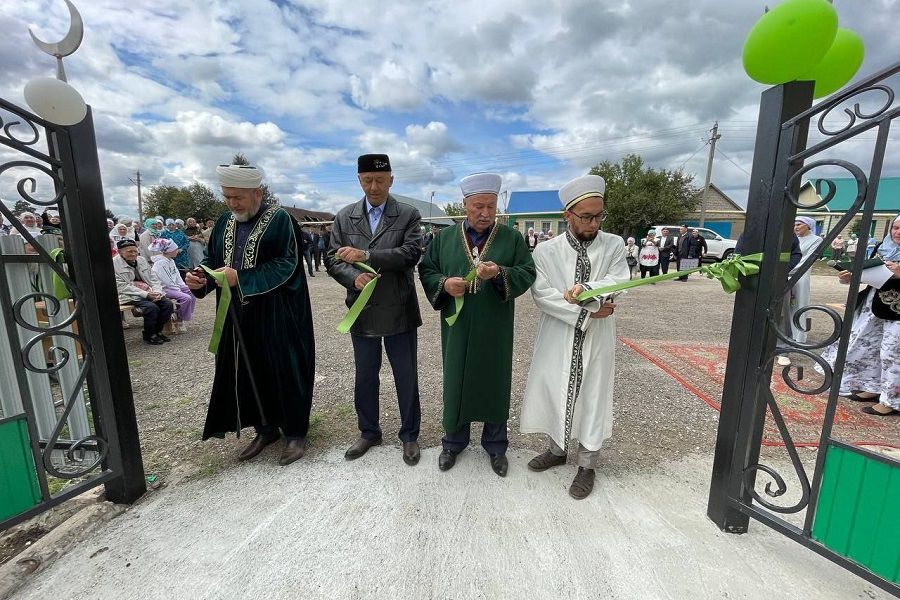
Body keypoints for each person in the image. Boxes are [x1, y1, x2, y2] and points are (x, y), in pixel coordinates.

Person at [185, 164, 315, 466]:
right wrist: (201, 278)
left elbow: (288, 265)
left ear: (257, 193)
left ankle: (295, 433)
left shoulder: (281, 220)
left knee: (285, 370)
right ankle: (265, 428)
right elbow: (211, 260)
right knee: (247, 370)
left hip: (277, 315)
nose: (233, 204)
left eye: (238, 197)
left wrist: (240, 279)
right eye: (227, 197)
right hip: (236, 315)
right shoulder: (223, 223)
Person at [520, 174, 630, 499]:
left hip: (599, 335)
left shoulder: (613, 244)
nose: (594, 222)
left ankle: (587, 464)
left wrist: (590, 293)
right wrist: (584, 311)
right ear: (567, 214)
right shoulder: (545, 251)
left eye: (599, 215)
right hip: (558, 331)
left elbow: (618, 280)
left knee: (593, 394)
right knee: (555, 386)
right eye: (586, 216)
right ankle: (556, 450)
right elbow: (542, 294)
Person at [419, 173, 536, 477]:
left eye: (491, 206)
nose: (485, 213)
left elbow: (527, 271)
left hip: (494, 324)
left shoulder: (511, 238)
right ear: (465, 204)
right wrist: (444, 284)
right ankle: (453, 442)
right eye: (478, 207)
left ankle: (496, 445)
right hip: (456, 326)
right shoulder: (443, 239)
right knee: (456, 377)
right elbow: (427, 269)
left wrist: (499, 273)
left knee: (494, 379)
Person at [327, 153, 423, 465]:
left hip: (399, 308)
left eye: (380, 180)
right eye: (367, 179)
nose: (374, 186)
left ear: (391, 179)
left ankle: (410, 435)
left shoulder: (408, 214)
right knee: (365, 375)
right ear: (359, 180)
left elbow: (410, 254)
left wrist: (366, 254)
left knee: (405, 375)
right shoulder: (345, 217)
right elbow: (332, 258)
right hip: (363, 309)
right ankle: (369, 431)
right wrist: (354, 278)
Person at [819, 214, 900, 417]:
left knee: (893, 353)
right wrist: (852, 276)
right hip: (875, 306)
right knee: (869, 348)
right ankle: (873, 386)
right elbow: (871, 273)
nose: (898, 232)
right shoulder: (883, 247)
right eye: (896, 228)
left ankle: (891, 400)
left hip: (897, 311)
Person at [113, 239, 174, 345]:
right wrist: (146, 294)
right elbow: (121, 286)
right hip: (128, 295)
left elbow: (153, 278)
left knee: (167, 305)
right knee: (151, 308)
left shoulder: (141, 260)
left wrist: (157, 291)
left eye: (135, 251)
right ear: (120, 252)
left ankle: (157, 331)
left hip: (148, 291)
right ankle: (149, 334)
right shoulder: (114, 264)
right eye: (129, 251)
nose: (133, 254)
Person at [788, 216, 823, 345]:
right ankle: (786, 332)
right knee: (786, 306)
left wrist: (789, 269)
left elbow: (807, 260)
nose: (796, 227)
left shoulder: (816, 240)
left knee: (799, 304)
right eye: (794, 225)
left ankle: (799, 336)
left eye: (799, 224)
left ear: (808, 226)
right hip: (787, 274)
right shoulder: (793, 238)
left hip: (801, 275)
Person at [149, 238, 196, 332]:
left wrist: (183, 286)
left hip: (174, 286)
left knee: (192, 293)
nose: (177, 251)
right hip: (164, 288)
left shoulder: (171, 260)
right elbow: (165, 280)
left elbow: (176, 275)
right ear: (169, 251)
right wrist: (178, 289)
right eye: (175, 249)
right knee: (186, 298)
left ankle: (180, 315)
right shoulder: (160, 263)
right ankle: (179, 319)